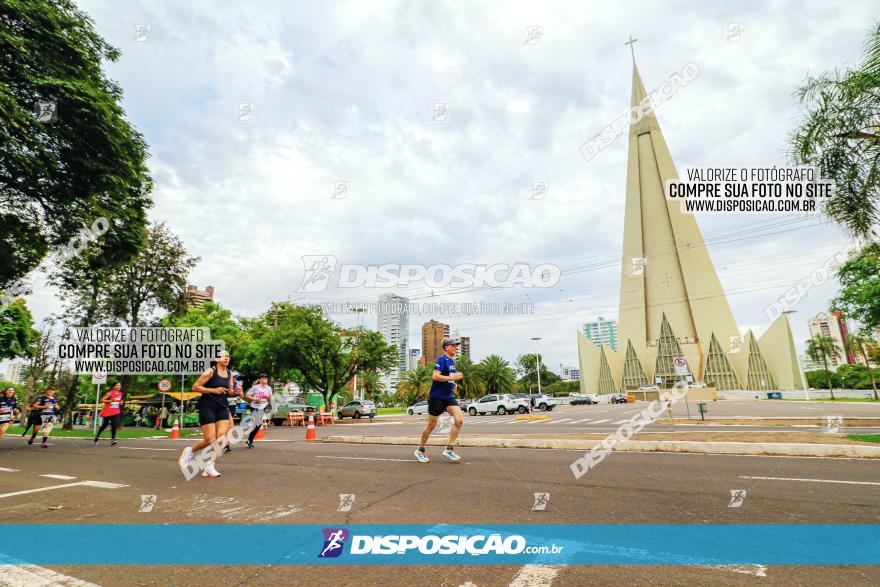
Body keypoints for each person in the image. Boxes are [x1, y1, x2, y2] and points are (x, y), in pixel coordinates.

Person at [178, 351, 235, 478]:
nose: (226, 358)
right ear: (216, 359)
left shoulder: (230, 373)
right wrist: (212, 390)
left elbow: (230, 392)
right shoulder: (210, 371)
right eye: (223, 356)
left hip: (222, 406)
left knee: (221, 438)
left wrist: (235, 391)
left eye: (228, 356)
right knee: (209, 439)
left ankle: (209, 466)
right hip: (207, 406)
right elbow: (195, 387)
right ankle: (190, 451)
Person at [414, 339, 464, 463]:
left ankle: (449, 449)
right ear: (446, 347)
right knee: (431, 425)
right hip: (436, 397)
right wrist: (452, 377)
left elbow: (448, 378)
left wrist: (452, 384)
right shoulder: (442, 359)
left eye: (456, 346)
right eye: (453, 346)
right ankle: (420, 450)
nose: (455, 348)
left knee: (459, 420)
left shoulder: (452, 361)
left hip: (448, 397)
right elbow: (435, 376)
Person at [243, 374, 273, 448]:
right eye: (263, 378)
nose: (265, 379)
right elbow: (246, 395)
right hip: (254, 407)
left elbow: (270, 398)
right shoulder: (255, 387)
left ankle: (249, 441)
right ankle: (249, 441)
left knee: (258, 425)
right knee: (257, 424)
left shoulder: (269, 388)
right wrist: (255, 399)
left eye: (266, 378)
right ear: (260, 379)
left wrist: (272, 402)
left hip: (262, 407)